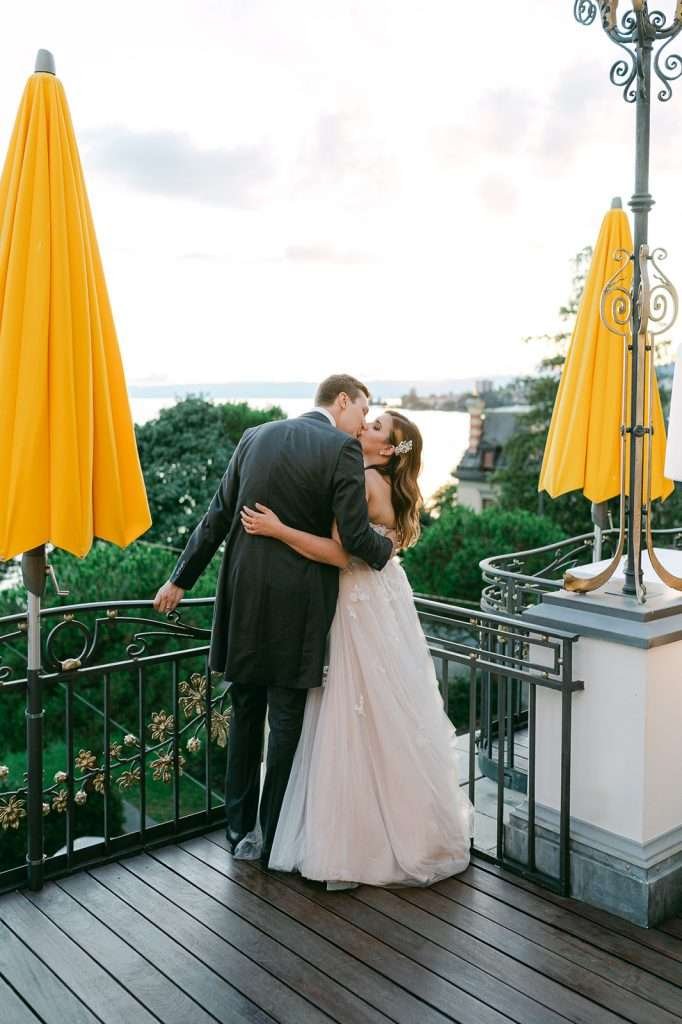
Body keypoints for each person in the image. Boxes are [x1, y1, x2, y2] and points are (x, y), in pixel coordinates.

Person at [153, 374, 394, 864]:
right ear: (342, 401)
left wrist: (179, 579)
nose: (362, 423)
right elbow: (352, 537)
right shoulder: (342, 450)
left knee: (245, 716)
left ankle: (235, 827)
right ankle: (270, 834)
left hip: (242, 598)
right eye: (362, 411)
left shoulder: (254, 435)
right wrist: (388, 548)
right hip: (298, 606)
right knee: (285, 722)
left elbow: (217, 515)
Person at [241, 410, 473, 888]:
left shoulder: (364, 477)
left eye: (375, 427)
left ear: (387, 449)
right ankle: (397, 828)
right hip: (385, 604)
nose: (364, 427)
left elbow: (338, 554)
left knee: (346, 715)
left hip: (353, 605)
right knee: (385, 717)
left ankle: (349, 842)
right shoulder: (387, 483)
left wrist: (278, 529)